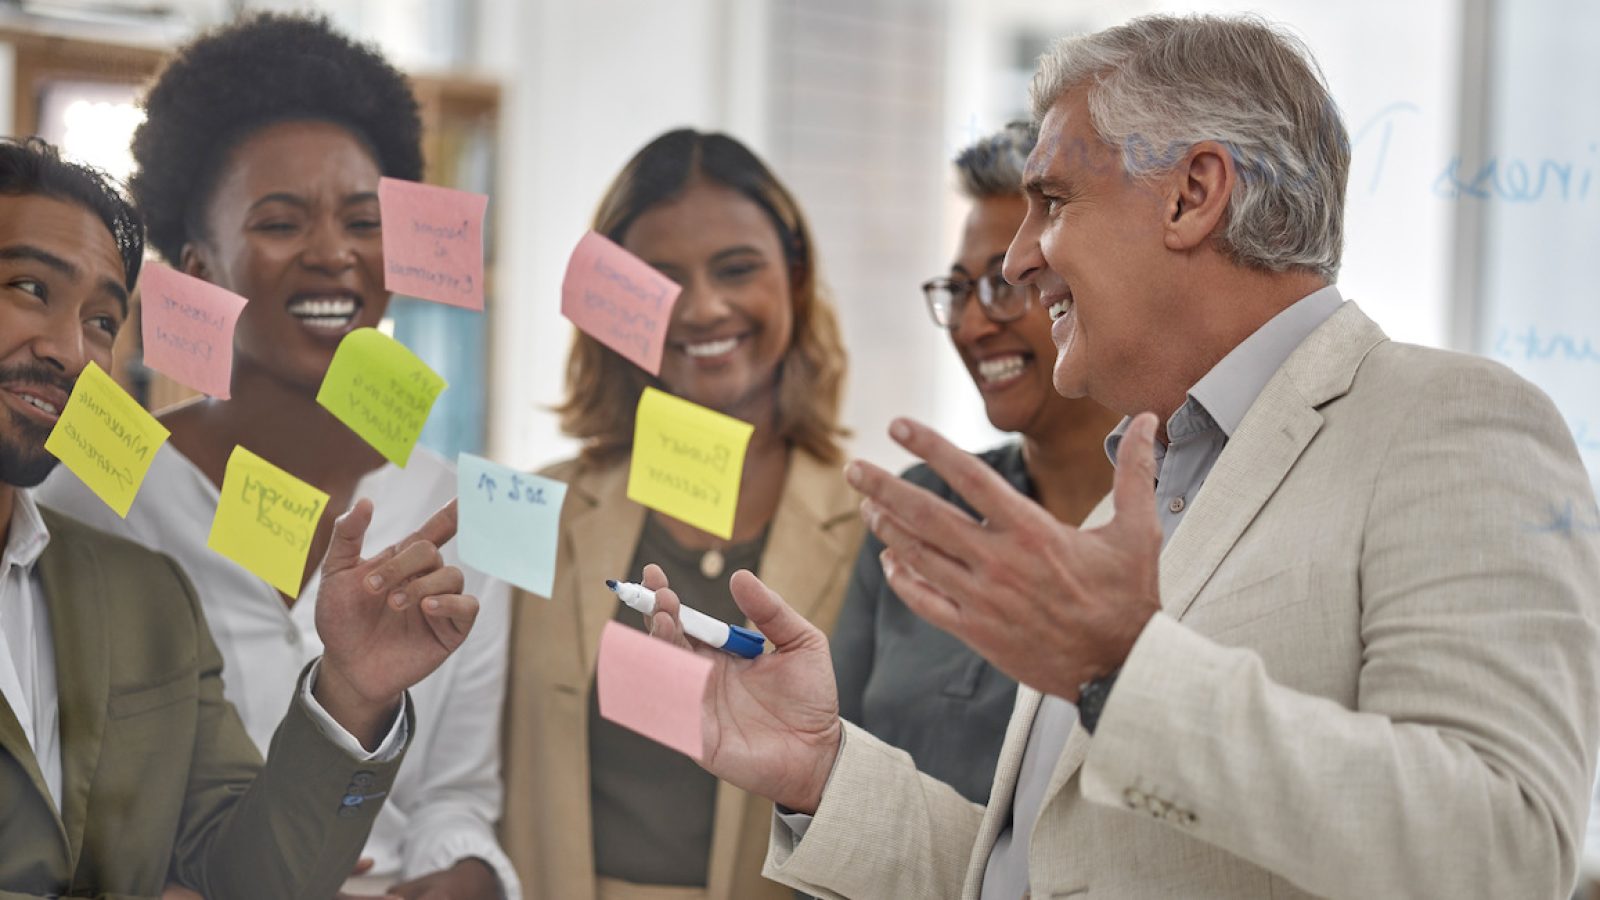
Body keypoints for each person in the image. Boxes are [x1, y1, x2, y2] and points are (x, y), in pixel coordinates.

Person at [637, 14, 1600, 899]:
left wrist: (1122, 670)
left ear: (1193, 194)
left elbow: (1503, 848)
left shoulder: (1451, 424)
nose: (1017, 261)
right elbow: (1045, 873)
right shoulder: (1131, 504)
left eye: (1051, 200)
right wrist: (822, 772)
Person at [35, 14, 517, 899]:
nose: (333, 253)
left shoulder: (470, 518)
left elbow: (460, 796)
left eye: (365, 222)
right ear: (200, 265)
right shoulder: (100, 498)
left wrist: (467, 877)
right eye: (281, 222)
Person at [500, 128, 862, 900]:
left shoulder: (874, 529)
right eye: (659, 283)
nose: (702, 307)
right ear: (612, 306)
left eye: (737, 269)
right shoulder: (537, 512)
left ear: (795, 281)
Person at [831, 122, 1119, 805]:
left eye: (1004, 284)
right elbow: (830, 769)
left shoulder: (1191, 519)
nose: (969, 324)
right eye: (958, 291)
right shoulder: (921, 511)